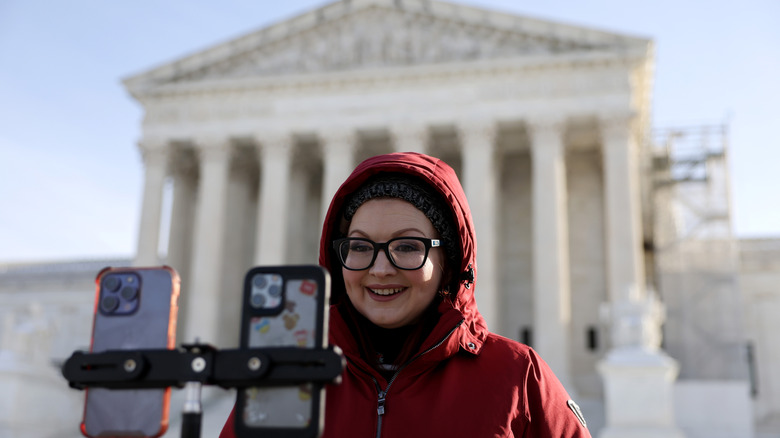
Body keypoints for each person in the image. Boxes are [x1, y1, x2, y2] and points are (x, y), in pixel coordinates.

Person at [220, 152, 591, 437]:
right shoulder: (286, 377)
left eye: (408, 247)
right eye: (360, 247)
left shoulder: (517, 377)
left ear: (449, 262)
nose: (380, 269)